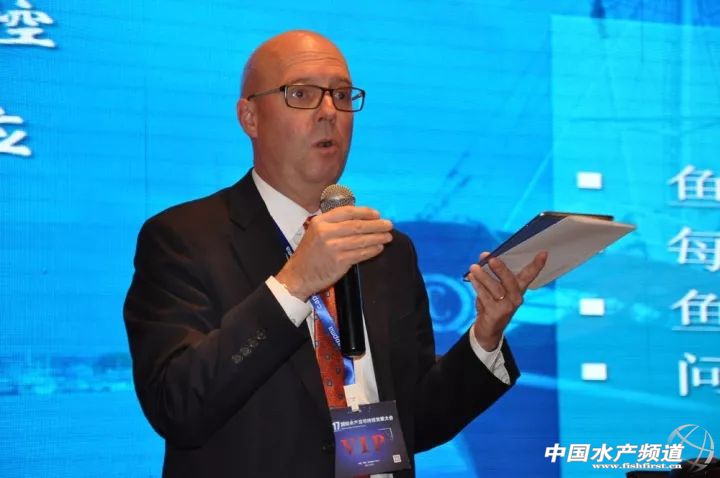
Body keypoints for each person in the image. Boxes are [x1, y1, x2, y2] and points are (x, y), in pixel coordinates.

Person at [123, 30, 547, 478]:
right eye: (301, 94)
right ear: (250, 117)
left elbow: (416, 421)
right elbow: (178, 406)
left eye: (342, 96)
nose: (329, 112)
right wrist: (292, 287)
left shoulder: (386, 250)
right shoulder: (183, 237)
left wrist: (484, 337)